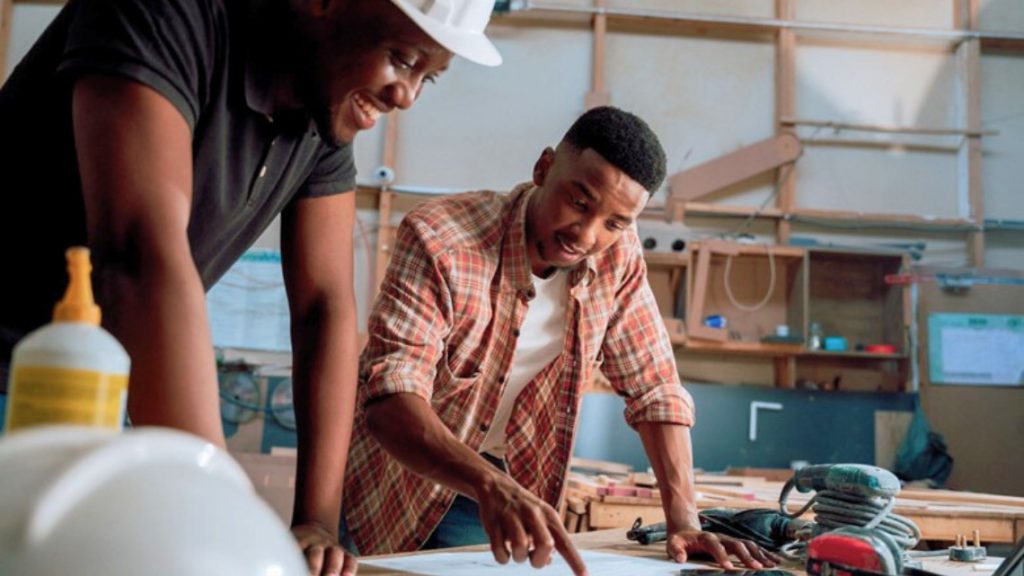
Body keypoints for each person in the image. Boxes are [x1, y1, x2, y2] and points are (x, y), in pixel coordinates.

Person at [0, 1, 500, 574]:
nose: (406, 97)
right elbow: (139, 257)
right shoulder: (166, 14)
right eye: (402, 59)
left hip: (94, 388)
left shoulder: (321, 106)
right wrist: (220, 508)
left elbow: (324, 308)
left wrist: (317, 520)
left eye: (427, 77)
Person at [343, 106, 779, 574]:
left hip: (501, 483)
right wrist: (493, 486)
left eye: (615, 222)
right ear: (544, 168)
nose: (586, 235)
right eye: (580, 202)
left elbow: (654, 387)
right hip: (396, 476)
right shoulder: (440, 238)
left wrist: (685, 520)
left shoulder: (618, 255)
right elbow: (390, 396)